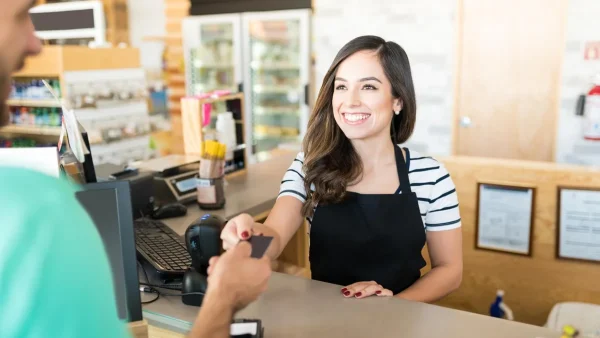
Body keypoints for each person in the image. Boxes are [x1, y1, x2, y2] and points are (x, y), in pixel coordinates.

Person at [0, 1, 270, 337]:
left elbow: (270, 238)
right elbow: (273, 234)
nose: (37, 43)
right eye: (22, 15)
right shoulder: (32, 210)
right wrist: (234, 279)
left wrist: (249, 250)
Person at [222, 35, 463, 303]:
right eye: (341, 87)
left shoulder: (431, 176)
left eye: (369, 87)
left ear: (398, 101)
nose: (350, 101)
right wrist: (249, 240)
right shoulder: (309, 166)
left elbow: (450, 270)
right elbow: (274, 239)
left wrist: (394, 304)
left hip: (403, 320)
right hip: (326, 321)